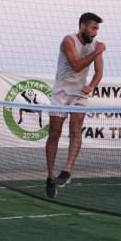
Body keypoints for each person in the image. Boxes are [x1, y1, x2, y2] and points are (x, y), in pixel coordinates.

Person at [45, 13, 106, 198]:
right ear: (82, 26)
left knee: (76, 130)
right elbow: (77, 66)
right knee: (54, 133)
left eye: (97, 29)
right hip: (61, 93)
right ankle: (50, 176)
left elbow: (99, 72)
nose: (95, 32)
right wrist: (97, 52)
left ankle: (67, 171)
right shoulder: (68, 41)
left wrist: (92, 86)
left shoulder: (95, 45)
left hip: (79, 94)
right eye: (92, 28)